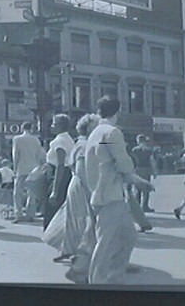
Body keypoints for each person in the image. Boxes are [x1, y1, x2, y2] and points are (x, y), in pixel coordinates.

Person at [84, 96, 155, 284]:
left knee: (128, 237)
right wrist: (139, 180)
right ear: (118, 112)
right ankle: (98, 281)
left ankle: (113, 276)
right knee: (106, 242)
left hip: (107, 193)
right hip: (109, 194)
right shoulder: (112, 132)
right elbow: (122, 161)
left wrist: (136, 179)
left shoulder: (95, 133)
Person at [44, 113, 100, 263]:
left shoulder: (74, 142)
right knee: (81, 218)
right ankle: (78, 250)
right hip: (81, 183)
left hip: (78, 182)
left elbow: (66, 167)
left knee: (74, 218)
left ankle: (69, 249)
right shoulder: (81, 144)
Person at [43, 114, 75, 231]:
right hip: (65, 175)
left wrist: (54, 190)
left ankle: (52, 234)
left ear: (60, 126)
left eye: (54, 124)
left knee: (52, 207)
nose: (51, 126)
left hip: (57, 175)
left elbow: (60, 165)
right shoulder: (68, 139)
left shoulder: (60, 141)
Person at [11, 121, 44, 223]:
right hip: (33, 168)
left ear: (22, 128)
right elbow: (40, 155)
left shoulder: (17, 139)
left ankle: (18, 214)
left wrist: (15, 168)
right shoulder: (36, 140)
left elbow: (15, 154)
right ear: (31, 128)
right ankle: (30, 214)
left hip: (21, 168)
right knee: (31, 193)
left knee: (17, 193)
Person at [131, 134, 156, 213]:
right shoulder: (149, 150)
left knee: (137, 189)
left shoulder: (134, 150)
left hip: (137, 169)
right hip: (146, 169)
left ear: (138, 141)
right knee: (146, 188)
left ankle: (136, 206)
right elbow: (152, 160)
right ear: (145, 141)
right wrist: (154, 171)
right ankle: (144, 206)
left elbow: (132, 161)